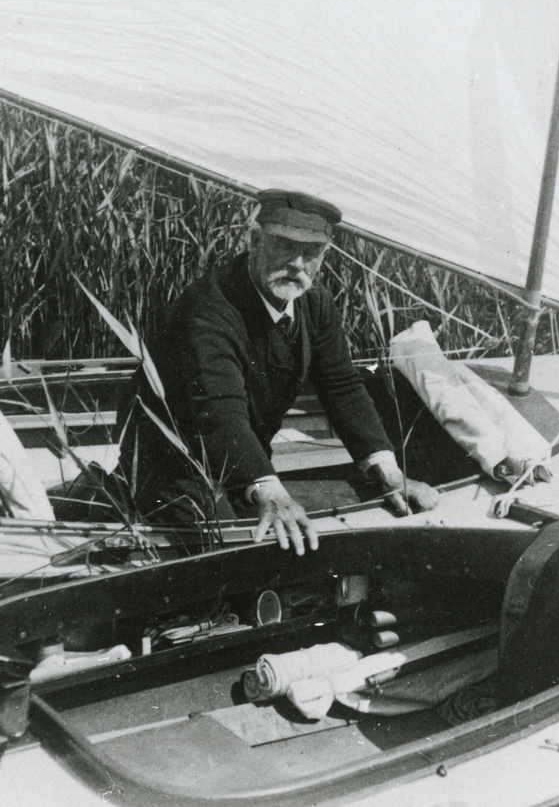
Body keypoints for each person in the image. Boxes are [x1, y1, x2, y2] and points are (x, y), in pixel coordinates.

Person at [116, 189, 438, 554]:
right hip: (173, 466)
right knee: (230, 549)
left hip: (243, 461)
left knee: (373, 498)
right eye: (284, 246)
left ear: (323, 257)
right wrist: (271, 491)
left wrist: (391, 473)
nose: (297, 264)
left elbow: (343, 387)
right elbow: (218, 411)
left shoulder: (315, 307)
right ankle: (114, 491)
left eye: (311, 253)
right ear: (255, 241)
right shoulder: (206, 309)